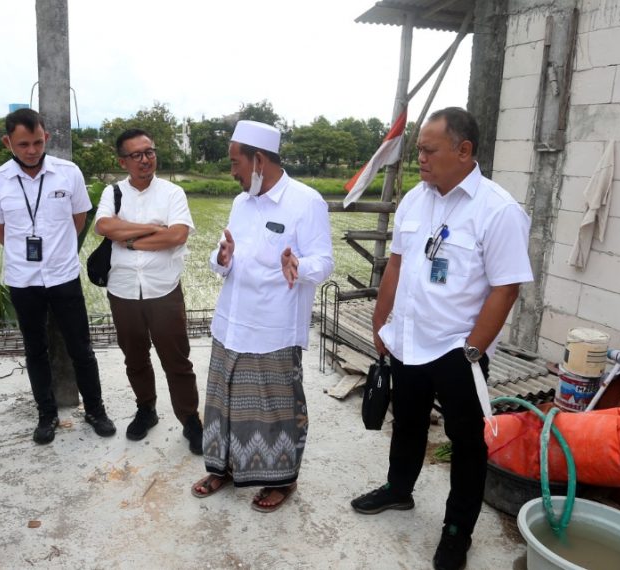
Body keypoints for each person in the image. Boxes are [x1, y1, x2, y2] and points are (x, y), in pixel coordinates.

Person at [351, 108, 533, 570]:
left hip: (457, 351)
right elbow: (395, 264)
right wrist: (381, 323)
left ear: (464, 151)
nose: (420, 160)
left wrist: (473, 349)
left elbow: (506, 286)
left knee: (466, 444)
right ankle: (399, 489)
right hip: (407, 342)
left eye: (429, 151)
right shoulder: (415, 199)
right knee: (407, 423)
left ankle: (457, 531)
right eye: (419, 151)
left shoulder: (499, 210)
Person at [190, 121, 334, 513]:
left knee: (276, 409)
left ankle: (282, 481)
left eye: (236, 162)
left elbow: (324, 263)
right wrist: (221, 258)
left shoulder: (306, 201)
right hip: (230, 323)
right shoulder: (241, 202)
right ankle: (224, 467)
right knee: (224, 404)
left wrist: (298, 265)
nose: (232, 171)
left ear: (258, 160)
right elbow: (225, 252)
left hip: (274, 328)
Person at [0, 108, 116, 444]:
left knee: (80, 347)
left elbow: (79, 218)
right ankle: (46, 414)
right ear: (7, 142)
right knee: (35, 349)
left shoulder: (68, 174)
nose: (31, 150)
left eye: (38, 142)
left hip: (63, 275)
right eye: (23, 144)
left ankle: (95, 410)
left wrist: (56, 251)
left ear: (47, 138)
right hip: (23, 281)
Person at [93, 128, 201, 454]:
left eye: (149, 152)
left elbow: (177, 236)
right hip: (123, 290)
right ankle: (146, 409)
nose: (145, 159)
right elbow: (104, 226)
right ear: (122, 161)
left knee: (177, 360)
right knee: (135, 357)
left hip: (163, 289)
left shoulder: (172, 193)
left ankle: (191, 419)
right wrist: (154, 227)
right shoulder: (113, 193)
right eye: (137, 155)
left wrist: (129, 239)